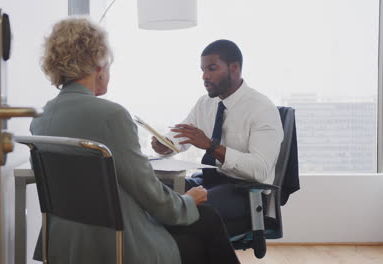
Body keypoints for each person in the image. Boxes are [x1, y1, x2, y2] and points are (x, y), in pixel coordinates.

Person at [30, 17, 240, 264]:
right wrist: (187, 201)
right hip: (118, 246)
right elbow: (150, 196)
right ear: (98, 63)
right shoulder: (111, 116)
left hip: (66, 246)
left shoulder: (41, 119)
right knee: (206, 219)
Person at [152, 39, 284, 232]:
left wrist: (210, 146)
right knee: (153, 192)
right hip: (209, 181)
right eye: (202, 70)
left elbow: (260, 170)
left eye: (212, 69)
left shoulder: (262, 109)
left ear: (234, 68)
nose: (204, 76)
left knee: (188, 209)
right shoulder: (205, 104)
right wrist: (165, 145)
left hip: (245, 191)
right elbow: (181, 136)